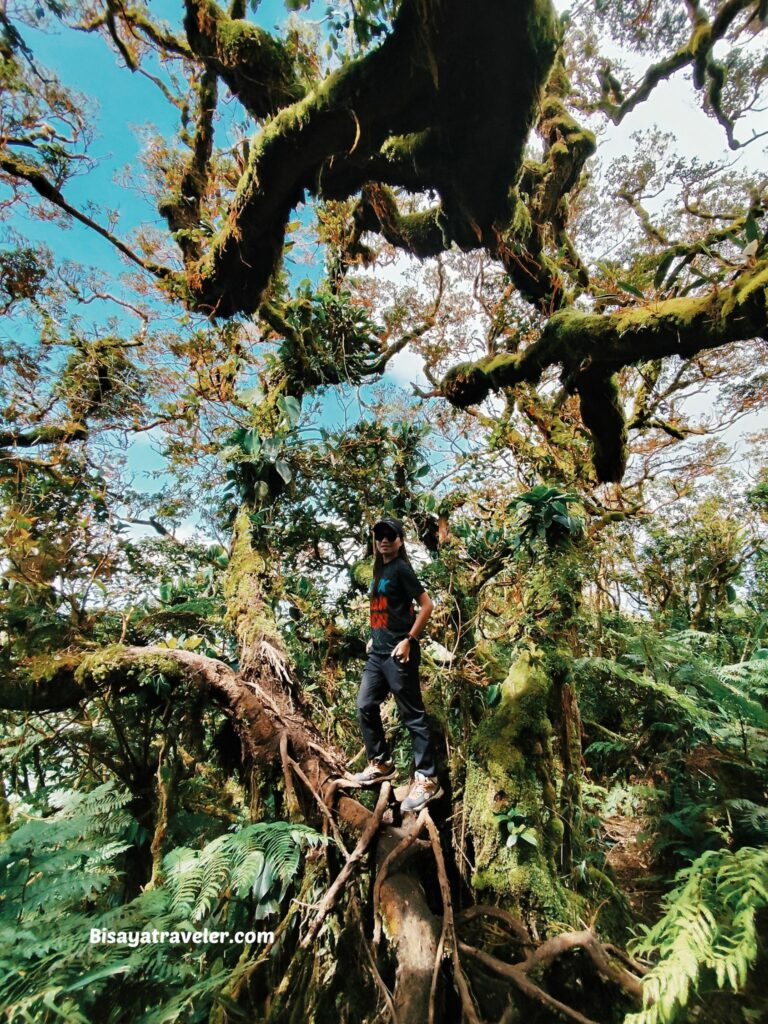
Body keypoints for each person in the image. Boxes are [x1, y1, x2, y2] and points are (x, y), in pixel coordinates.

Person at [351, 516, 443, 813]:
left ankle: (428, 779)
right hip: (377, 653)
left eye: (390, 535)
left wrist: (409, 640)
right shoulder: (379, 570)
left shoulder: (402, 568)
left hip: (398, 653)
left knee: (412, 715)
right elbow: (383, 608)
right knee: (365, 704)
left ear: (400, 540)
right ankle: (381, 763)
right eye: (379, 536)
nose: (384, 540)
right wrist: (372, 636)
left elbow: (426, 605)